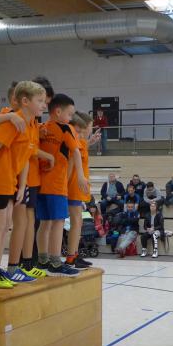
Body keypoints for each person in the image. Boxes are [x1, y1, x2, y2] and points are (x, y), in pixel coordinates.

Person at [0, 81, 46, 288]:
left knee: (6, 225)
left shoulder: (31, 125)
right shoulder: (13, 121)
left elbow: (25, 158)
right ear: (25, 101)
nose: (44, 105)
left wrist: (22, 186)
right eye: (40, 101)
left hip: (11, 181)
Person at [35, 93, 85, 277]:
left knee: (45, 223)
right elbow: (76, 152)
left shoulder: (41, 128)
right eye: (70, 114)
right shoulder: (65, 128)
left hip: (40, 184)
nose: (71, 118)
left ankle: (42, 261)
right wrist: (80, 176)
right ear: (58, 111)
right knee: (57, 223)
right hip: (56, 185)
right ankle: (55, 263)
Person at [65, 113, 99, 270]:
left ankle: (74, 254)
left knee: (78, 223)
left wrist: (90, 142)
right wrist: (65, 186)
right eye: (90, 126)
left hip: (77, 188)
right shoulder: (76, 142)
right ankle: (71, 257)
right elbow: (71, 164)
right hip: (73, 187)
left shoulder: (81, 142)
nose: (91, 129)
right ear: (83, 127)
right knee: (76, 223)